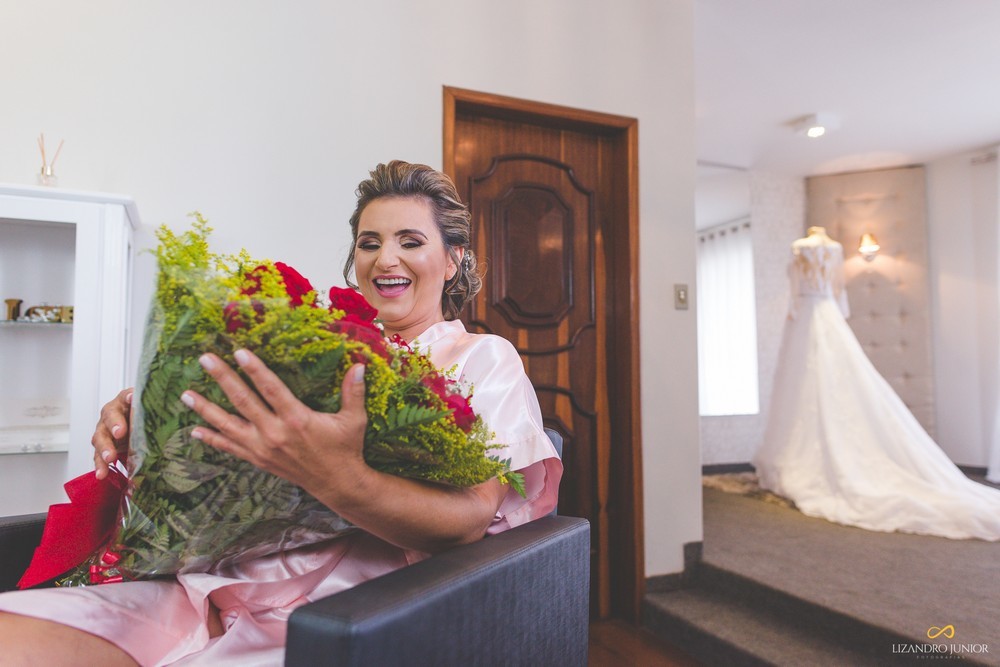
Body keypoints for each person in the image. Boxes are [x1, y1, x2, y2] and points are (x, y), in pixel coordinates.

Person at [0, 160, 562, 665]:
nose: (385, 258)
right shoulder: (311, 351)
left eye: (410, 240)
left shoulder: (485, 359)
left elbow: (470, 519)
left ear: (454, 258)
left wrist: (338, 476)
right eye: (369, 242)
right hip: (203, 588)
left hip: (343, 613)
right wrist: (154, 424)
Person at [753, 226, 1000, 540]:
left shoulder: (799, 246)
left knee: (812, 384)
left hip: (807, 316)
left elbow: (795, 290)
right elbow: (839, 291)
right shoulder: (833, 249)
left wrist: (795, 313)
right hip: (828, 313)